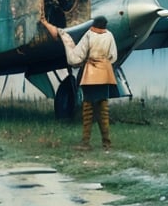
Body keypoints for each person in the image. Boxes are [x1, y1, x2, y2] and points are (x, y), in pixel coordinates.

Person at [41, 15, 118, 150]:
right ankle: (106, 143)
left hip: (91, 76)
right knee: (104, 110)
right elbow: (113, 56)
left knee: (88, 110)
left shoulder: (89, 34)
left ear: (94, 24)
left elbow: (77, 56)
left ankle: (85, 143)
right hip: (105, 75)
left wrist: (65, 37)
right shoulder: (110, 35)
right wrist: (103, 63)